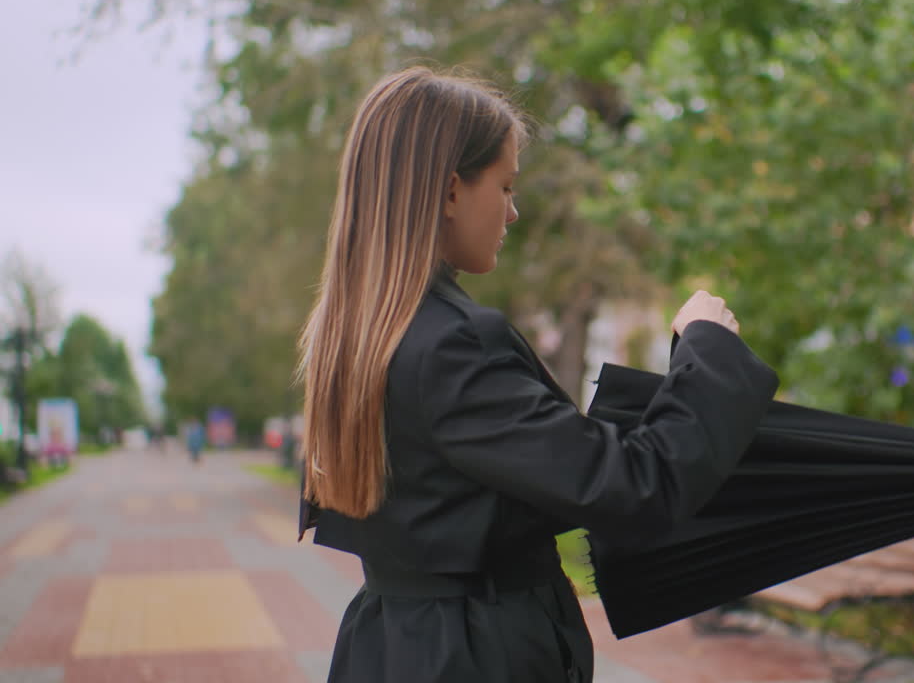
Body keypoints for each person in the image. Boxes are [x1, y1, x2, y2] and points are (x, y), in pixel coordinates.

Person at [296, 67, 779, 683]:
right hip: (475, 656)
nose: (514, 211)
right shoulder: (451, 345)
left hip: (395, 643)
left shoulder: (360, 337)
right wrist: (709, 352)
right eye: (504, 186)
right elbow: (634, 487)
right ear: (449, 192)